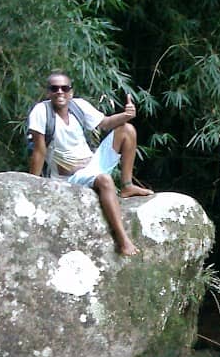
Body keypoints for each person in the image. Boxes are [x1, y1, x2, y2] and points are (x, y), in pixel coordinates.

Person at [26, 72, 152, 257]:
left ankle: (127, 186)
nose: (60, 92)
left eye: (64, 88)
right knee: (105, 180)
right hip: (70, 177)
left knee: (127, 130)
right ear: (48, 93)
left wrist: (125, 115)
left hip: (92, 164)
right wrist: (33, 184)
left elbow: (106, 123)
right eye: (54, 88)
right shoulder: (41, 111)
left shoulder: (79, 105)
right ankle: (123, 240)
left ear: (71, 92)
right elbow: (39, 150)